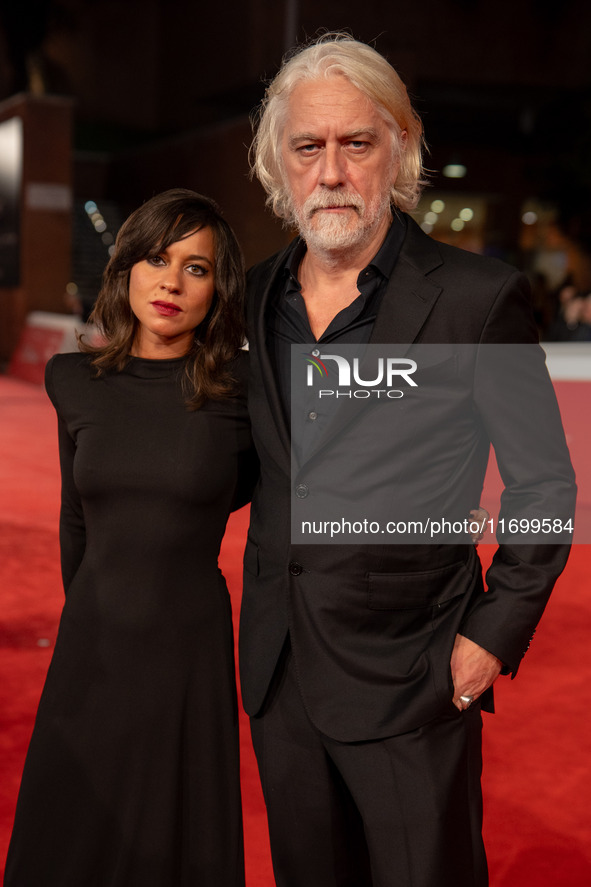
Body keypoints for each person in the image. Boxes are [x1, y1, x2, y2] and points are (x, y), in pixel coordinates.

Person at [240, 34, 576, 887]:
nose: (331, 171)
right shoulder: (255, 298)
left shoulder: (474, 298)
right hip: (281, 674)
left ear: (400, 149)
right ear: (278, 163)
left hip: (414, 676)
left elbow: (543, 484)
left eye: (356, 143)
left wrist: (490, 637)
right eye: (307, 147)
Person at [4, 189, 257, 887]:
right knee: (69, 833)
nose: (171, 282)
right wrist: (90, 619)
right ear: (125, 272)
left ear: (217, 287)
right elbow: (75, 520)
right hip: (93, 640)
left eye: (195, 268)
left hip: (188, 647)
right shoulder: (72, 381)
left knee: (175, 840)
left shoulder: (244, 390)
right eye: (154, 258)